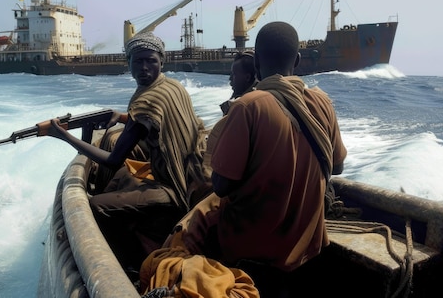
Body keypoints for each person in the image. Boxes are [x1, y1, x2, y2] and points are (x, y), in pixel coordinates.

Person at [142, 21, 347, 296]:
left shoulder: (248, 107)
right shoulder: (323, 102)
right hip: (307, 244)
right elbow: (337, 167)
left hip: (251, 244)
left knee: (195, 220)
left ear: (257, 60)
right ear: (297, 60)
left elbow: (222, 186)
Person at [46, 31, 212, 274]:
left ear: (161, 62)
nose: (144, 68)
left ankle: (132, 265)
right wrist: (125, 119)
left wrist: (64, 136)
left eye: (151, 61)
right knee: (123, 176)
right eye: (138, 61)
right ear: (129, 64)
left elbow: (113, 161)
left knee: (94, 207)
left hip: (173, 189)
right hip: (192, 178)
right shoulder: (172, 87)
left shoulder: (146, 102)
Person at [219, 50, 259, 115]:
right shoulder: (260, 98)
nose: (230, 78)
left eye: (234, 74)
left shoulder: (242, 107)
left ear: (247, 77)